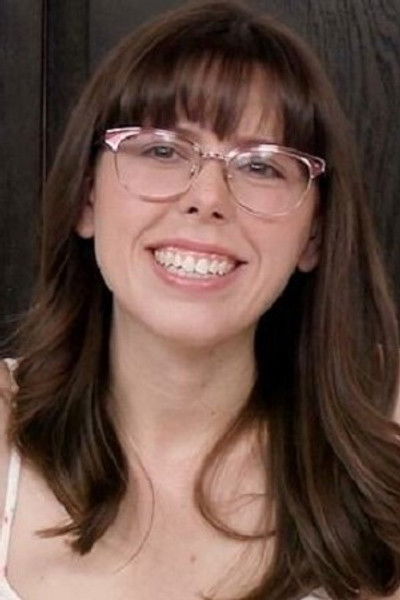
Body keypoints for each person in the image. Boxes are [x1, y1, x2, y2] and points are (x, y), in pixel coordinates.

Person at [0, 0, 399, 598]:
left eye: (262, 166)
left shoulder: (385, 435)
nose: (208, 197)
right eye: (162, 150)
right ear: (86, 198)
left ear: (314, 235)